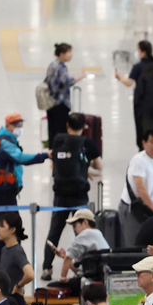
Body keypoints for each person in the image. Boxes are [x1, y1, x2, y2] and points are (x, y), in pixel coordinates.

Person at [42, 115, 103, 280]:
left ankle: (46, 268)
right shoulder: (87, 143)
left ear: (67, 125)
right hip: (79, 195)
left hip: (60, 194)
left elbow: (54, 164)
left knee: (54, 230)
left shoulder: (58, 140)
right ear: (84, 126)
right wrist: (85, 168)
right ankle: (83, 266)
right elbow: (99, 166)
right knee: (83, 234)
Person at [0, 113, 49, 210]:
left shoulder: (9, 139)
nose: (19, 128)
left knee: (7, 218)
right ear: (7, 126)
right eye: (16, 126)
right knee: (9, 219)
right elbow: (20, 158)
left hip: (6, 186)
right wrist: (44, 156)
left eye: (20, 126)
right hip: (4, 187)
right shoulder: (5, 143)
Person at [51, 209, 109, 281]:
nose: (74, 229)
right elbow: (79, 271)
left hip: (89, 281)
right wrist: (64, 256)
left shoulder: (86, 233)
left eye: (75, 225)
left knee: (52, 286)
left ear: (85, 222)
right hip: (97, 279)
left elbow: (68, 258)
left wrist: (62, 280)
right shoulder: (97, 233)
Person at [44, 42, 81, 142]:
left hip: (50, 102)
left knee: (52, 129)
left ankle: (53, 151)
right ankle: (61, 151)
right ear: (62, 54)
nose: (71, 55)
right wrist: (78, 78)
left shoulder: (52, 64)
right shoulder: (61, 67)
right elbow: (66, 82)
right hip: (60, 103)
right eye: (69, 52)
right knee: (61, 129)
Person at [0, 211, 34, 301]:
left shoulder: (17, 251)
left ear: (12, 229)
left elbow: (30, 274)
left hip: (15, 303)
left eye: (2, 226)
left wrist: (19, 285)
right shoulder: (5, 249)